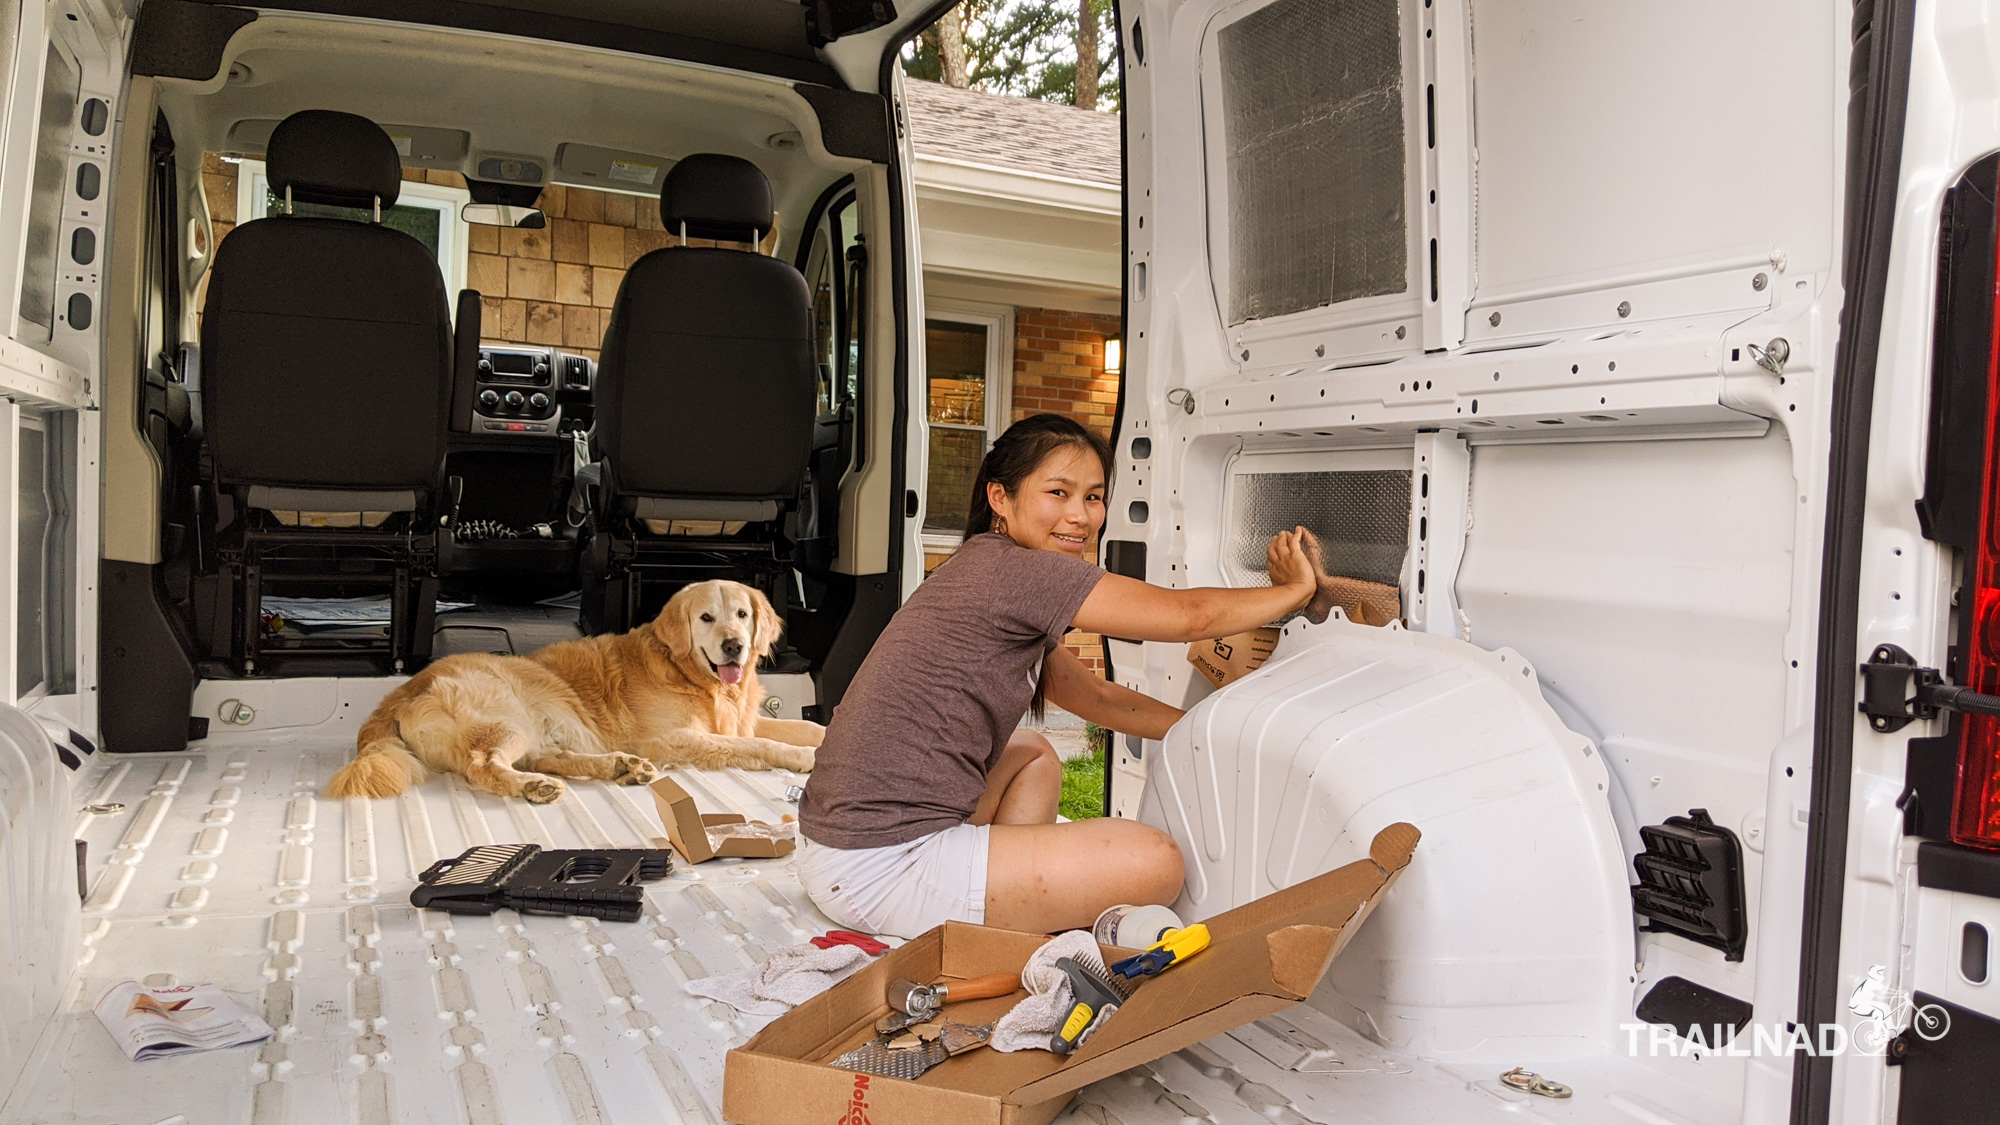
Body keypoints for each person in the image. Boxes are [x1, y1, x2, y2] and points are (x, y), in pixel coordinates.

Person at [795, 414, 1327, 938]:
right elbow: (1190, 618)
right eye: (1058, 492)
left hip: (837, 848)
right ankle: (992, 911)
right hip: (880, 866)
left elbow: (1096, 698)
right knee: (1157, 861)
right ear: (1000, 498)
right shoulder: (1019, 573)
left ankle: (1004, 911)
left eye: (1093, 497)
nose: (1081, 516)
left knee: (1034, 754)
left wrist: (1203, 728)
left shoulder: (988, 568)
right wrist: (1293, 592)